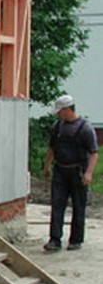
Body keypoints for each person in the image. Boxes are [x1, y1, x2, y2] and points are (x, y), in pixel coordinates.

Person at [43, 94, 99, 252]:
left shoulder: (85, 128)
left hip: (78, 171)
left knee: (78, 206)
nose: (58, 115)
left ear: (68, 110)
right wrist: (46, 166)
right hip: (60, 170)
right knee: (57, 204)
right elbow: (51, 148)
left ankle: (76, 239)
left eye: (60, 111)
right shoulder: (57, 127)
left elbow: (94, 153)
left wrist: (88, 173)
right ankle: (55, 240)